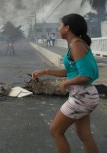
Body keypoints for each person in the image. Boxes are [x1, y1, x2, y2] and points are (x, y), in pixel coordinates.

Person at [32, 13, 99, 153]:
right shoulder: (75, 44)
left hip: (82, 96)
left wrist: (65, 83)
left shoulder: (76, 45)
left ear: (67, 28)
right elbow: (70, 71)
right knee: (84, 135)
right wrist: (45, 71)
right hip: (85, 95)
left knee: (56, 130)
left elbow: (85, 75)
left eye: (60, 25)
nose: (58, 28)